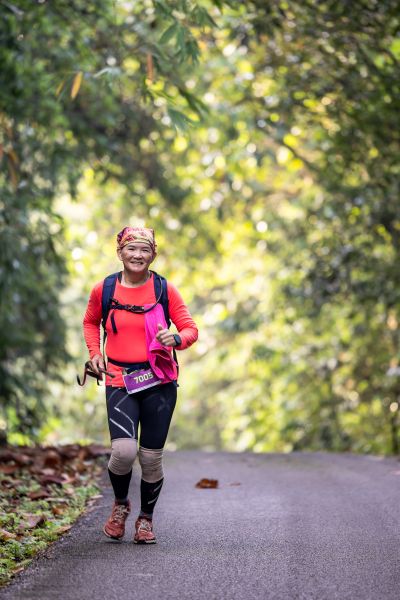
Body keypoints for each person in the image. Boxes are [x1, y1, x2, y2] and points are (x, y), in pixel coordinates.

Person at [82, 226, 198, 544]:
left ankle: (145, 519)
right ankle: (121, 505)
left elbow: (190, 329)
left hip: (159, 380)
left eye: (144, 249)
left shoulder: (164, 289)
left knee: (150, 458)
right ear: (120, 252)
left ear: (153, 254)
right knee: (123, 452)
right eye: (131, 249)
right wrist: (95, 354)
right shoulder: (104, 289)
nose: (137, 255)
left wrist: (176, 338)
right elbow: (90, 322)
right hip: (119, 379)